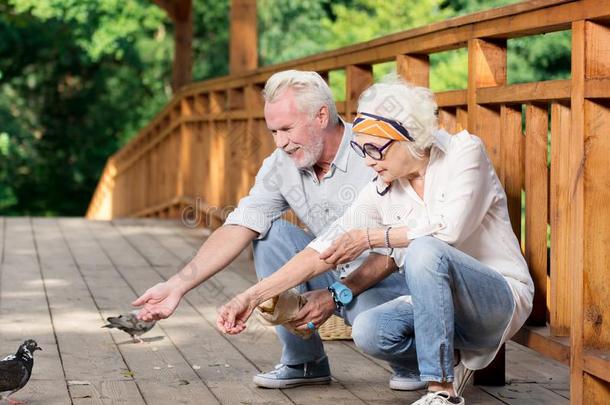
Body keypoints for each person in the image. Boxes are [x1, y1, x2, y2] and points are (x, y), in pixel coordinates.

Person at [217, 77, 534, 405]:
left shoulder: (463, 152)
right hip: (435, 307)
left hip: (496, 298)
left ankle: (441, 392)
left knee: (425, 248)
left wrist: (371, 237)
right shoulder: (383, 187)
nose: (367, 161)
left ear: (407, 138)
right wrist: (250, 297)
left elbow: (447, 230)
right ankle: (446, 357)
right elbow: (323, 248)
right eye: (361, 148)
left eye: (374, 149)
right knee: (368, 330)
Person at [133, 70, 424, 391]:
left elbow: (398, 249)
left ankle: (414, 363)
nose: (280, 142)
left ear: (321, 115)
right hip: (335, 271)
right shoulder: (280, 164)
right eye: (273, 131)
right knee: (268, 234)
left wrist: (336, 295)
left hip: (393, 281)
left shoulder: (374, 149)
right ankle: (304, 362)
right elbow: (239, 226)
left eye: (287, 129)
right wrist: (177, 286)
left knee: (372, 327)